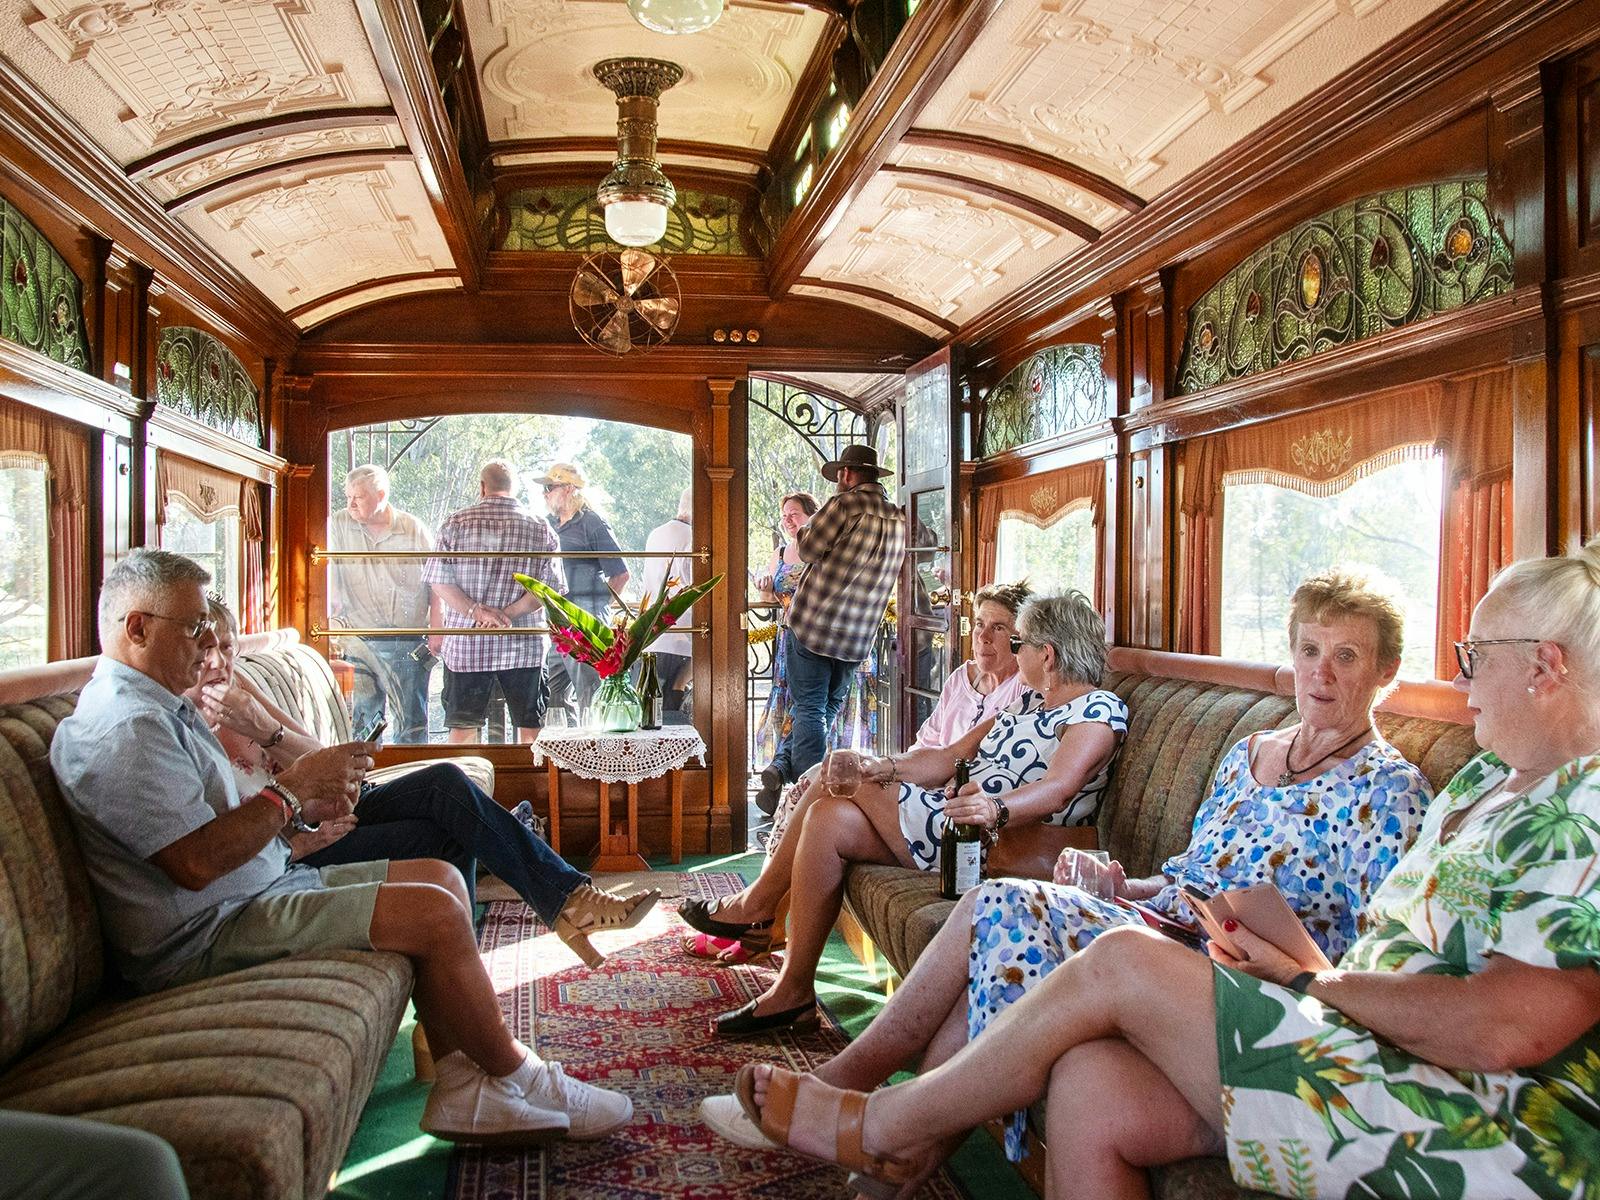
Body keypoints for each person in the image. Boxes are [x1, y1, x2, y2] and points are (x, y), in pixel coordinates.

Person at [716, 546, 1600, 1200]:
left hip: (1420, 1074)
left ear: (1546, 667)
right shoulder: (1482, 783)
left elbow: (1499, 1024)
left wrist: (1306, 978)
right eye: (1309, 650)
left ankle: (880, 1121)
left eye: (1477, 658)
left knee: (1043, 925)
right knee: (1083, 1060)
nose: (1467, 681)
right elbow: (1197, 874)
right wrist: (1127, 886)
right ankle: (888, 1125)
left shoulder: (1498, 800)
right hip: (1262, 974)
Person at [51, 549, 632, 1145]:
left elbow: (216, 828)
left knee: (441, 876)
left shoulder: (159, 707)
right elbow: (195, 863)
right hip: (205, 933)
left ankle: (463, 1086)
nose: (207, 645)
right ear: (137, 628)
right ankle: (520, 1075)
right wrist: (290, 796)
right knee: (432, 911)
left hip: (254, 886)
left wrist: (299, 809)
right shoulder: (127, 727)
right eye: (194, 626)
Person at [683, 591, 1130, 1039]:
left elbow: (1058, 789)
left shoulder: (1097, 710)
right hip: (953, 821)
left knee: (836, 776)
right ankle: (793, 992)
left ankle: (756, 907)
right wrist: (884, 767)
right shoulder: (1027, 703)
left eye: (1018, 644)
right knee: (827, 817)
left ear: (1047, 655)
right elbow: (948, 757)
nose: (1014, 652)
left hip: (987, 840)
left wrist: (993, 808)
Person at [186, 594, 657, 965]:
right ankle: (514, 937)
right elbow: (219, 843)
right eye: (206, 650)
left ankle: (561, 905)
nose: (219, 663)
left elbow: (322, 758)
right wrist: (300, 842)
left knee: (445, 783)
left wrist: (264, 730)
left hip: (334, 807)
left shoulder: (239, 690)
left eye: (227, 648)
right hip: (298, 847)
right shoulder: (184, 726)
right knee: (447, 828)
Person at [779, 445, 906, 791]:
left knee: (809, 709)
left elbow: (807, 549)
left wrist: (809, 526)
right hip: (856, 636)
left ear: (846, 474)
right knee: (824, 709)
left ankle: (806, 795)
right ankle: (782, 767)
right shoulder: (899, 517)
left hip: (813, 626)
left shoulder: (845, 505)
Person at [423, 459, 564, 744]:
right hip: (524, 646)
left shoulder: (456, 523)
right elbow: (550, 589)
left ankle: (465, 773)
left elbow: (439, 581)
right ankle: (530, 775)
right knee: (530, 730)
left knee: (463, 729)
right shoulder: (540, 528)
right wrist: (507, 614)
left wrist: (477, 612)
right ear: (514, 489)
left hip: (468, 645)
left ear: (482, 487)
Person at [327, 464, 436, 743]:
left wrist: (438, 630)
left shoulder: (412, 528)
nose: (350, 504)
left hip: (407, 639)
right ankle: (366, 772)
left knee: (410, 724)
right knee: (363, 722)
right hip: (358, 638)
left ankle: (412, 770)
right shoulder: (338, 524)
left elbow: (438, 581)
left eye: (358, 497)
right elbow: (326, 571)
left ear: (381, 495)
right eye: (348, 496)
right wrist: (331, 612)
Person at [536, 462, 629, 725]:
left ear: (568, 489)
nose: (545, 494)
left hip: (584, 627)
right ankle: (563, 747)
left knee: (590, 695)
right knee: (551, 697)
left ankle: (597, 746)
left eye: (549, 487)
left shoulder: (592, 522)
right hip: (556, 626)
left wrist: (596, 611)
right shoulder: (549, 525)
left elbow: (621, 574)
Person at [752, 490, 820, 810]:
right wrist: (765, 587)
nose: (788, 521)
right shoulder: (780, 553)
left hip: (817, 639)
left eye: (794, 514)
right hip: (787, 640)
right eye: (784, 516)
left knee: (808, 709)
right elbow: (770, 601)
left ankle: (784, 774)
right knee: (795, 708)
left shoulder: (820, 548)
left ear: (812, 515)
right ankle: (783, 777)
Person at [640, 485, 694, 717]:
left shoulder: (656, 534)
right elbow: (694, 586)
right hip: (682, 634)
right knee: (671, 708)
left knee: (652, 707)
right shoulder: (693, 538)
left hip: (652, 633)